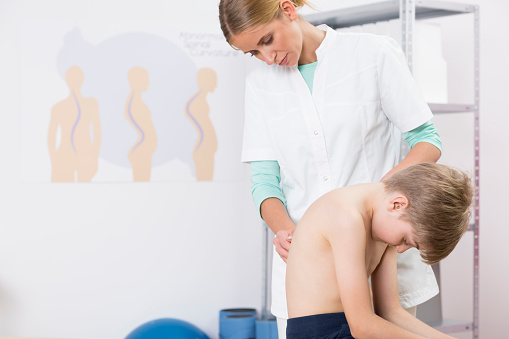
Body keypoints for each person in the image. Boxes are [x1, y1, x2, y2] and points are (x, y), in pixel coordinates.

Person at [218, 0, 443, 336]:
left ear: (289, 10)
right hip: (307, 281)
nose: (267, 58)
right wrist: (284, 231)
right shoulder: (260, 85)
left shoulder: (372, 54)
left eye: (267, 40)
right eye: (253, 53)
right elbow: (264, 180)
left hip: (379, 258)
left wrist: (380, 198)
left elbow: (427, 140)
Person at [285, 162, 473, 338]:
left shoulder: (384, 225)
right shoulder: (345, 217)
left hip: (352, 328)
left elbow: (391, 312)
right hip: (321, 332)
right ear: (397, 205)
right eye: (406, 240)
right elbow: (362, 327)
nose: (400, 249)